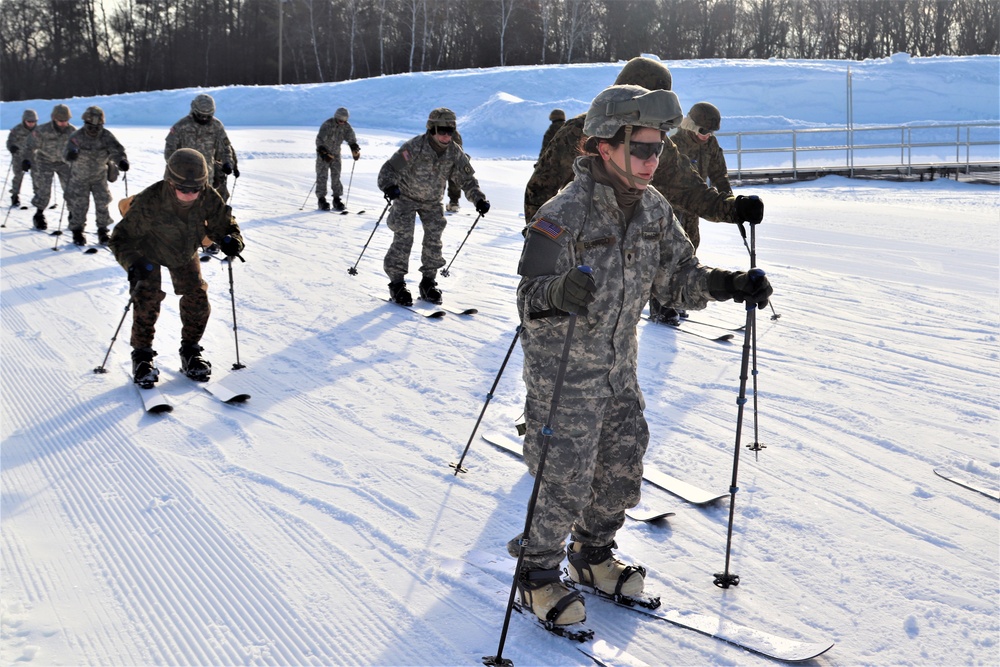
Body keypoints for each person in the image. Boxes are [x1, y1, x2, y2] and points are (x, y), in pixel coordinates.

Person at [510, 84, 772, 627]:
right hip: (564, 378)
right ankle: (535, 576)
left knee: (622, 470)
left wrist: (727, 284)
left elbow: (678, 278)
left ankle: (592, 556)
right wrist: (557, 293)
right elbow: (527, 298)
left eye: (658, 149)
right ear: (605, 146)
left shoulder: (654, 208)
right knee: (564, 479)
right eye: (643, 149)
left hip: (618, 372)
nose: (654, 160)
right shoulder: (563, 213)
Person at [522, 58, 763, 325]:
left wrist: (733, 207)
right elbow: (540, 188)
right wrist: (542, 247)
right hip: (576, 257)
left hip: (629, 254)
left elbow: (689, 189)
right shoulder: (578, 132)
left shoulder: (659, 144)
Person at [109, 148, 245, 385]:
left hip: (184, 250)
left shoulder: (208, 196)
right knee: (147, 297)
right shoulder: (150, 200)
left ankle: (191, 352)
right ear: (170, 183)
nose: (189, 195)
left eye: (195, 189)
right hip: (147, 251)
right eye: (183, 189)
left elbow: (225, 224)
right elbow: (120, 237)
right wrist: (132, 263)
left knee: (197, 297)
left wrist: (232, 241)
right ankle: (142, 357)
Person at [377, 108, 490, 306]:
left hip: (432, 201)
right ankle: (397, 284)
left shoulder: (454, 151)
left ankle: (428, 282)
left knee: (434, 239)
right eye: (442, 130)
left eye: (450, 131)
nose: (446, 135)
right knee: (404, 237)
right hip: (406, 197)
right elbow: (389, 169)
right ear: (432, 129)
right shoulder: (414, 146)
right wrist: (389, 186)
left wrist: (479, 199)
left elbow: (467, 179)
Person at [63, 106, 129, 246]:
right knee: (79, 205)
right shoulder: (77, 137)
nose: (94, 129)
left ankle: (103, 231)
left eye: (97, 126)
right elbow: (66, 154)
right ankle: (77, 231)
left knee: (102, 203)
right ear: (85, 123)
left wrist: (122, 161)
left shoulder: (106, 136)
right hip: (79, 178)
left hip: (99, 177)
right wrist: (70, 154)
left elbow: (116, 151)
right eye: (90, 125)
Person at [670, 102, 731, 251]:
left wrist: (730, 200)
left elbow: (719, 173)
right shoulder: (674, 144)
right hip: (672, 207)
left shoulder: (710, 143)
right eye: (704, 131)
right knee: (672, 247)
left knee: (692, 244)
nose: (707, 136)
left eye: (711, 132)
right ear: (692, 126)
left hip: (695, 206)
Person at [164, 94, 235, 204]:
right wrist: (177, 167)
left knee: (204, 206)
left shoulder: (217, 126)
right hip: (179, 177)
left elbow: (226, 148)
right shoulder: (181, 126)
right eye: (200, 115)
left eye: (208, 116)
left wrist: (227, 163)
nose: (204, 119)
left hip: (205, 176)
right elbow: (169, 149)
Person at [23, 104, 77, 230]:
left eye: (66, 120)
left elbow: (78, 146)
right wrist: (26, 159)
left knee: (71, 190)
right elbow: (29, 146)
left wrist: (74, 153)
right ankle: (39, 214)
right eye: (60, 121)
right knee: (43, 189)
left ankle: (73, 215)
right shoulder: (42, 130)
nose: (63, 123)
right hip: (44, 162)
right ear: (54, 118)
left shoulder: (72, 131)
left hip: (64, 163)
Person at [315, 107, 360, 211]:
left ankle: (337, 199)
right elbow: (319, 140)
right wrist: (323, 153)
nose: (342, 123)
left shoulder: (346, 127)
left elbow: (351, 139)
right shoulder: (327, 125)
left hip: (336, 155)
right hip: (324, 155)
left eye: (344, 121)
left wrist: (354, 147)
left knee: (336, 176)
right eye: (340, 120)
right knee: (322, 176)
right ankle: (321, 200)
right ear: (336, 117)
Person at [6, 109, 37, 208]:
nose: (31, 124)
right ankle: (15, 195)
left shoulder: (40, 130)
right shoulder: (17, 130)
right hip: (19, 156)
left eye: (34, 122)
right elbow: (10, 141)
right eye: (29, 121)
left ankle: (38, 195)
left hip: (34, 157)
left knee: (37, 176)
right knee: (18, 176)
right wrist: (12, 147)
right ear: (24, 120)